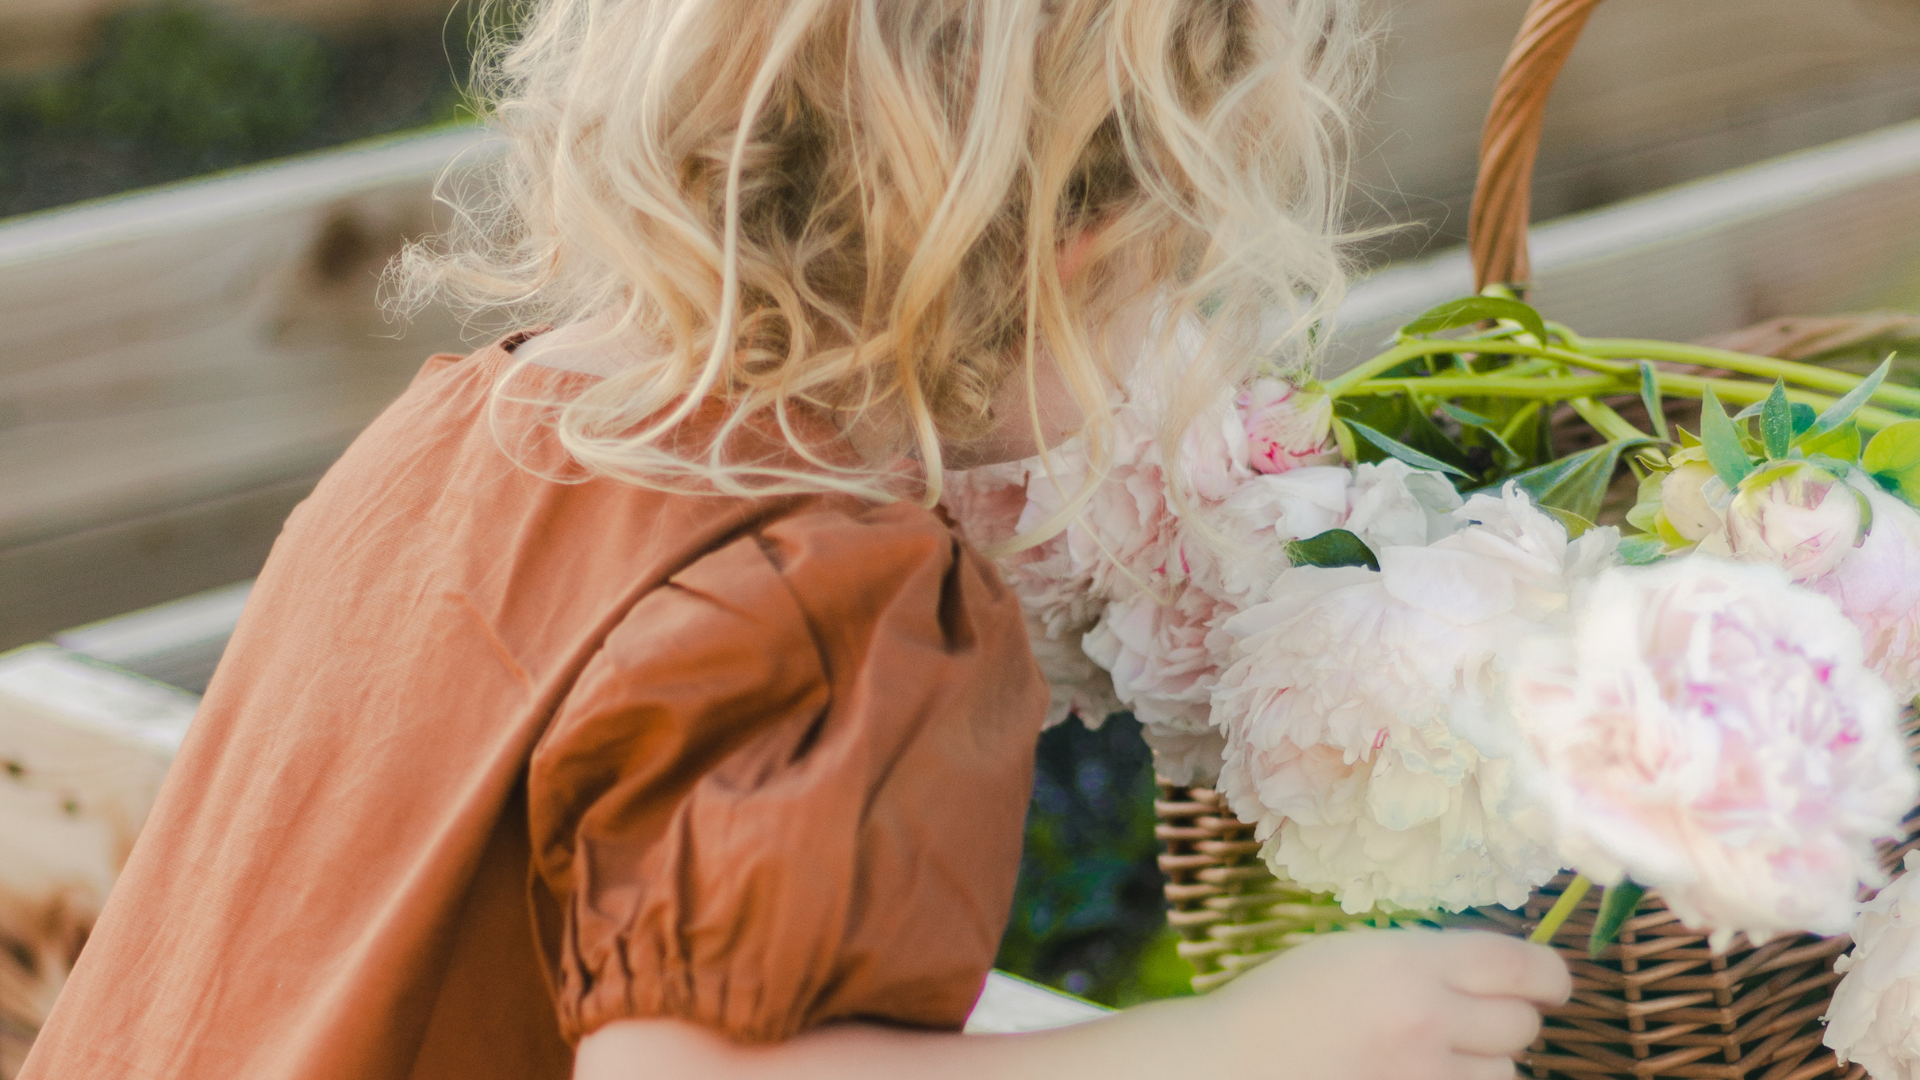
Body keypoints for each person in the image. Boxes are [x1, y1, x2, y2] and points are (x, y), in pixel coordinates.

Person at [20, 1, 1570, 1078]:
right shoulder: (819, 590)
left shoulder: (468, 433)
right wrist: (1230, 1051)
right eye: (1176, 279)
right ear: (1079, 245)